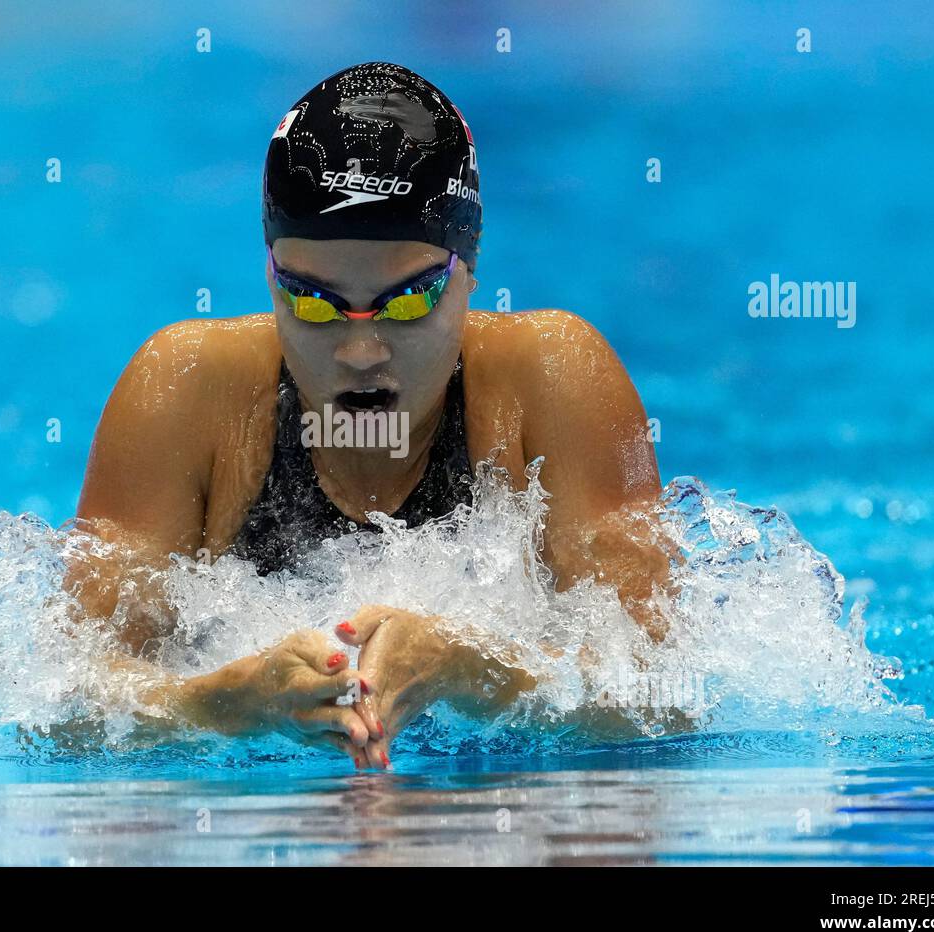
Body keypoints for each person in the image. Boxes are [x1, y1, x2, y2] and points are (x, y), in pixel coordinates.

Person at [70, 62, 668, 769]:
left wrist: (477, 671)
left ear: (468, 272)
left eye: (408, 300)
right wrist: (222, 701)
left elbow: (663, 694)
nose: (359, 348)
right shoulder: (186, 390)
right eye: (314, 300)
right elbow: (60, 703)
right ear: (270, 275)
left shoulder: (555, 378)